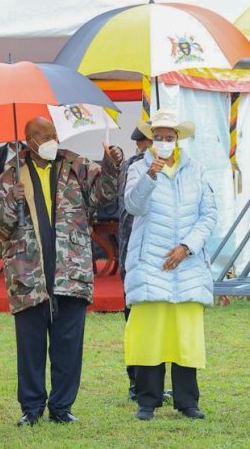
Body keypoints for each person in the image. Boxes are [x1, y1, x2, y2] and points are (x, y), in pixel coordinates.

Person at [0, 117, 122, 426]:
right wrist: (11, 200)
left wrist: (112, 166)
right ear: (28, 140)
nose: (50, 140)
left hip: (70, 271)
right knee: (31, 347)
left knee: (68, 345)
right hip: (28, 275)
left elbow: (104, 196)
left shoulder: (77, 165)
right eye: (42, 136)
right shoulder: (11, 175)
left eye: (53, 134)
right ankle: (31, 408)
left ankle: (62, 407)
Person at [123, 111, 217, 421]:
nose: (164, 142)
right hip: (151, 263)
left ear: (178, 139)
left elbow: (208, 216)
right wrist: (150, 175)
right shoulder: (138, 170)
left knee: (185, 336)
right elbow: (133, 207)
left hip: (187, 265)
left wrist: (186, 247)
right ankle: (147, 400)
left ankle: (187, 401)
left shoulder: (198, 171)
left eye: (170, 137)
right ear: (150, 140)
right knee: (151, 334)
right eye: (159, 137)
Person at [117, 127, 152, 402]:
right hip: (134, 252)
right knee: (136, 321)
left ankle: (154, 381)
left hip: (160, 255)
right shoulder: (134, 166)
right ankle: (136, 381)